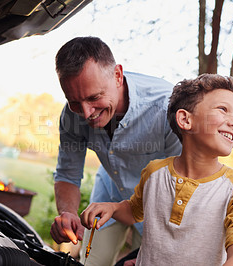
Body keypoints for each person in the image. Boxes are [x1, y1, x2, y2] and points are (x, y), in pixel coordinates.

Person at [80, 73, 233, 265]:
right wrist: (112, 207)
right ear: (185, 120)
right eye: (223, 109)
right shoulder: (154, 172)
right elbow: (135, 210)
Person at [50, 36, 182, 265]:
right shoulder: (72, 115)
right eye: (74, 101)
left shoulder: (167, 108)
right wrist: (68, 213)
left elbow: (182, 183)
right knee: (91, 262)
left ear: (117, 76)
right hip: (110, 190)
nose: (86, 112)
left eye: (94, 97)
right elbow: (67, 174)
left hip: (158, 204)